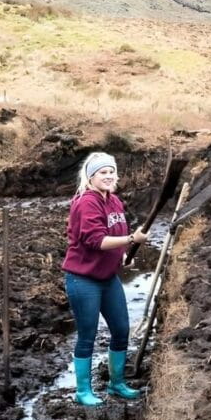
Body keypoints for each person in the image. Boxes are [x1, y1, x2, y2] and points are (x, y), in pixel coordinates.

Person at [61, 152, 148, 406]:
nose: (109, 176)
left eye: (112, 171)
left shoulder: (114, 201)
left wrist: (123, 256)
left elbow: (115, 235)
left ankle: (117, 384)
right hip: (83, 279)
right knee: (87, 334)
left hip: (108, 278)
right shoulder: (86, 202)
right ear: (91, 177)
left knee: (121, 329)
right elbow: (96, 240)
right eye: (103, 172)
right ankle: (83, 390)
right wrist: (132, 239)